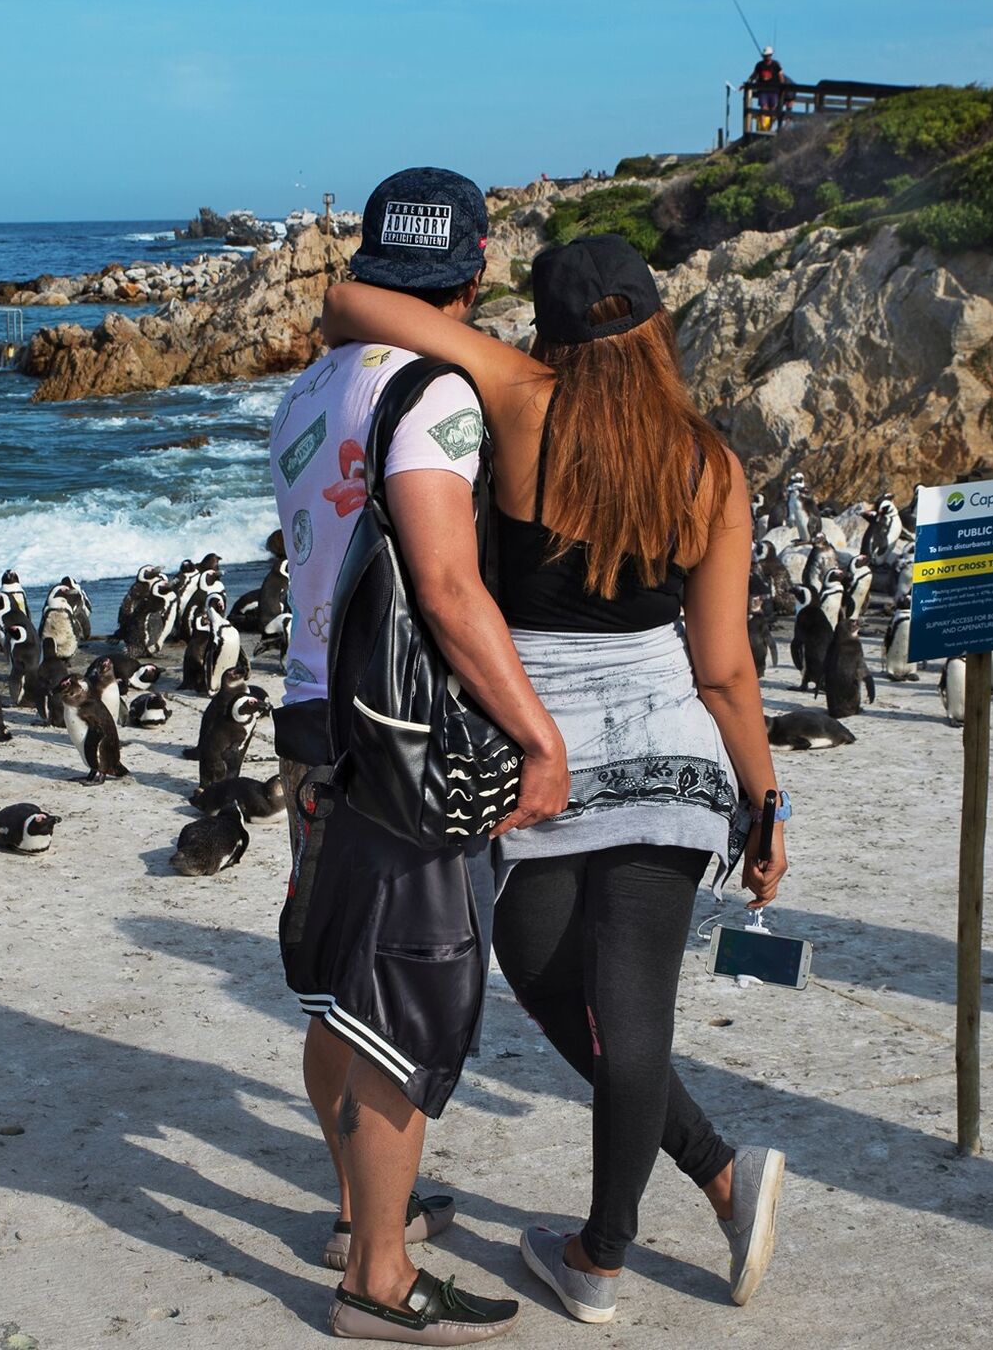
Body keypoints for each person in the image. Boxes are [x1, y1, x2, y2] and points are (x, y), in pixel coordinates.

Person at [321, 233, 791, 1327]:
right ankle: (650, 1221)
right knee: (629, 1019)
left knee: (547, 983)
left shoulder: (519, 393)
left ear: (549, 328)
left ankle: (609, 1249)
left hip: (535, 759)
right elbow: (722, 666)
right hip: (673, 757)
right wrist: (763, 801)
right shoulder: (708, 461)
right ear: (658, 325)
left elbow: (347, 298)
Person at [268, 167, 569, 1344]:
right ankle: (378, 1279)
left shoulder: (305, 392)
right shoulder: (437, 392)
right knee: (409, 991)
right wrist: (535, 734)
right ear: (477, 265)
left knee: (346, 980)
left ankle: (357, 1213)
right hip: (400, 732)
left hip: (310, 715)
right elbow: (445, 585)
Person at [746, 46, 787, 131]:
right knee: (763, 109)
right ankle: (764, 128)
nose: (766, 57)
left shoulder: (776, 65)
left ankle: (771, 127)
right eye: (765, 55)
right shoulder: (759, 65)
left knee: (773, 110)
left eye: (768, 55)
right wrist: (748, 82)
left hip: (774, 91)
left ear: (771, 55)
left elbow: (781, 77)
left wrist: (783, 88)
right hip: (763, 91)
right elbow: (754, 75)